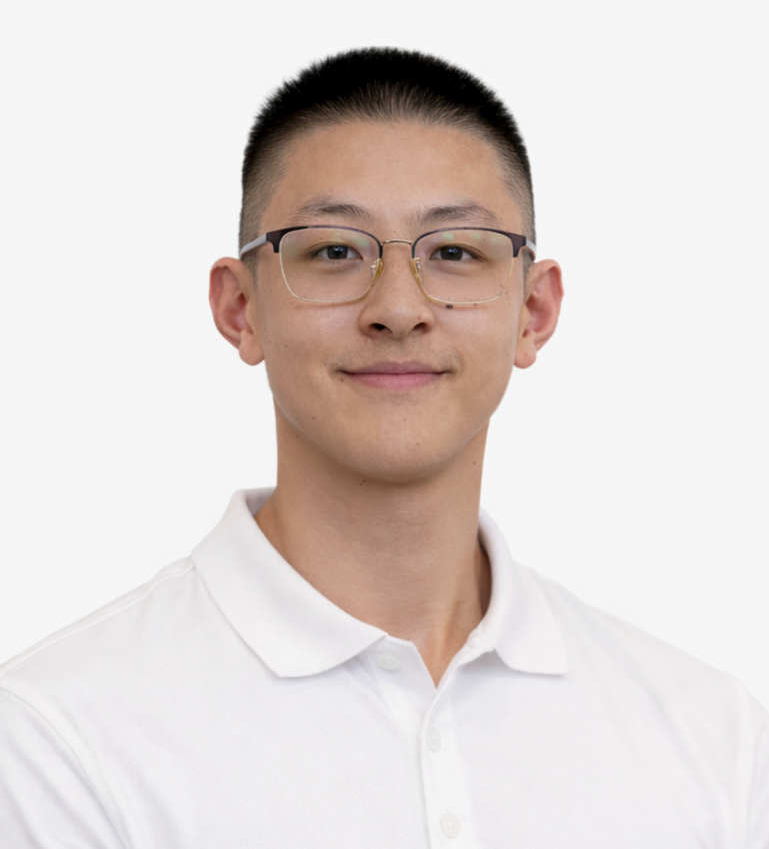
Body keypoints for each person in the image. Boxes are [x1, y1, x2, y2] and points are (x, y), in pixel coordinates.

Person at [0, 48, 766, 847]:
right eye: (333, 251)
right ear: (240, 309)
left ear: (533, 313)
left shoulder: (714, 740)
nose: (398, 308)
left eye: (455, 251)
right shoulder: (56, 743)